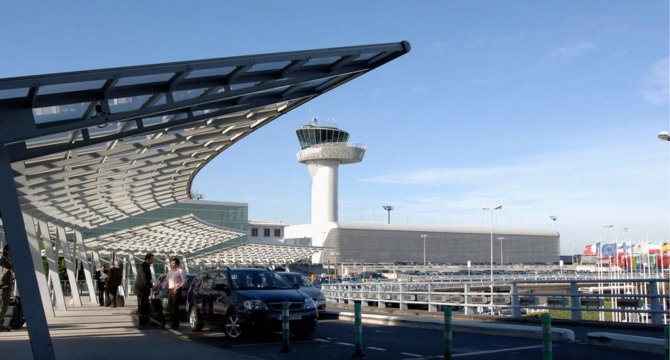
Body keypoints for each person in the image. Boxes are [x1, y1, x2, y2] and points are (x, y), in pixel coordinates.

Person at [155, 258, 185, 329]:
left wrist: (177, 288)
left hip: (177, 290)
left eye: (173, 263)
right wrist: (160, 286)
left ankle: (175, 325)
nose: (172, 265)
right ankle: (172, 323)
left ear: (177, 264)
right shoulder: (170, 272)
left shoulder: (180, 271)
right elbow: (166, 281)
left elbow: (184, 281)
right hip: (170, 290)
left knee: (175, 308)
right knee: (170, 307)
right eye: (171, 264)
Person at [135, 252, 154, 327]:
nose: (153, 261)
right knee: (141, 306)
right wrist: (151, 286)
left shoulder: (146, 266)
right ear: (148, 259)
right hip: (141, 290)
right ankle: (142, 322)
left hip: (144, 290)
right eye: (152, 259)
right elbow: (144, 279)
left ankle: (145, 321)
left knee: (145, 306)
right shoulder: (143, 267)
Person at [0, 246, 13, 332]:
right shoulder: (3, 261)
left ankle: (1, 323)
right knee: (2, 306)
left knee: (4, 306)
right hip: (3, 287)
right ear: (8, 252)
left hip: (6, 287)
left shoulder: (6, 261)